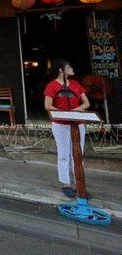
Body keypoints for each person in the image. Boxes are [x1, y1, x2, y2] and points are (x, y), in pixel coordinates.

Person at [44, 59, 90, 198]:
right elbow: (48, 105)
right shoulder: (52, 86)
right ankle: (66, 183)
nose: (71, 68)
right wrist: (63, 113)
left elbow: (86, 103)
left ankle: (79, 184)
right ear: (61, 70)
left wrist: (76, 110)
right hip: (60, 124)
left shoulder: (76, 84)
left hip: (77, 123)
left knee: (77, 154)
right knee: (64, 154)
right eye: (68, 67)